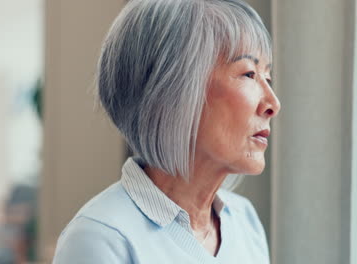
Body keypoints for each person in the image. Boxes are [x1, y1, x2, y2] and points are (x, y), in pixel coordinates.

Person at [52, 0, 280, 263]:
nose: (273, 103)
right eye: (249, 74)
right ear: (173, 91)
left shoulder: (244, 220)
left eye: (268, 78)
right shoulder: (100, 239)